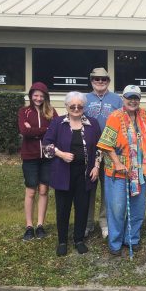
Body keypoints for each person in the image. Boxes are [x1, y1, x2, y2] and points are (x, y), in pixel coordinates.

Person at [97, 85, 146, 257]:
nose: (133, 101)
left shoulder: (144, 116)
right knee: (117, 209)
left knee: (137, 209)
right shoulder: (115, 117)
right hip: (118, 173)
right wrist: (117, 162)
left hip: (140, 173)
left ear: (139, 99)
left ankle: (131, 240)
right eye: (129, 97)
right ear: (123, 98)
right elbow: (106, 144)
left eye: (136, 97)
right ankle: (115, 243)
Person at [43, 92, 102, 256]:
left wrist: (96, 166)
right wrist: (61, 154)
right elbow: (46, 145)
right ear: (67, 107)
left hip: (84, 173)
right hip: (63, 172)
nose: (76, 109)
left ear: (84, 107)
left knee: (82, 207)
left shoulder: (93, 123)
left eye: (80, 106)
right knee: (63, 208)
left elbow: (99, 147)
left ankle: (79, 239)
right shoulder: (57, 123)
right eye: (72, 106)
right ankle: (62, 241)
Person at [84, 67, 124, 238]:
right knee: (89, 187)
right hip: (90, 150)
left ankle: (105, 222)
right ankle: (87, 223)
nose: (100, 82)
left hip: (110, 151)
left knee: (108, 188)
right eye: (96, 79)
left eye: (103, 79)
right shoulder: (84, 99)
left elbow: (124, 123)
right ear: (91, 80)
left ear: (108, 81)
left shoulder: (117, 100)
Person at [18, 82, 58, 241]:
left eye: (41, 95)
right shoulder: (24, 112)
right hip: (30, 156)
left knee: (43, 190)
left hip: (47, 157)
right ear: (30, 95)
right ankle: (29, 226)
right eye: (35, 95)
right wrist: (44, 131)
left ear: (45, 97)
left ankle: (40, 225)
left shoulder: (51, 111)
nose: (38, 98)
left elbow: (55, 130)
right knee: (31, 191)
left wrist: (35, 132)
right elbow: (24, 131)